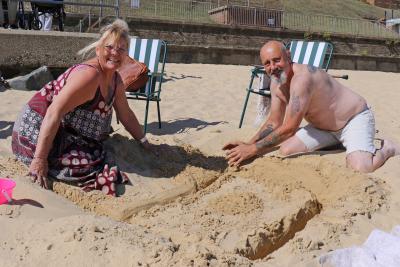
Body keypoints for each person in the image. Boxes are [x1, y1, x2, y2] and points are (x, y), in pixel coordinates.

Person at [12, 19, 150, 194]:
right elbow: (54, 112)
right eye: (109, 47)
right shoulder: (89, 76)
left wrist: (144, 142)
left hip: (70, 132)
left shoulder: (116, 80)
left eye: (121, 49)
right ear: (98, 48)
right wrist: (39, 159)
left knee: (99, 156)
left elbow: (126, 115)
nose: (115, 53)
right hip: (38, 130)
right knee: (89, 166)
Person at [223, 40, 399, 173]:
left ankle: (387, 149)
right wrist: (249, 143)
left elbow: (290, 127)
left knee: (360, 167)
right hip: (323, 128)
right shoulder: (276, 82)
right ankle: (339, 142)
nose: (272, 67)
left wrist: (252, 150)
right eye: (267, 63)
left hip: (354, 119)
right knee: (286, 150)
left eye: (276, 60)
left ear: (289, 56)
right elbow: (274, 121)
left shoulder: (302, 80)